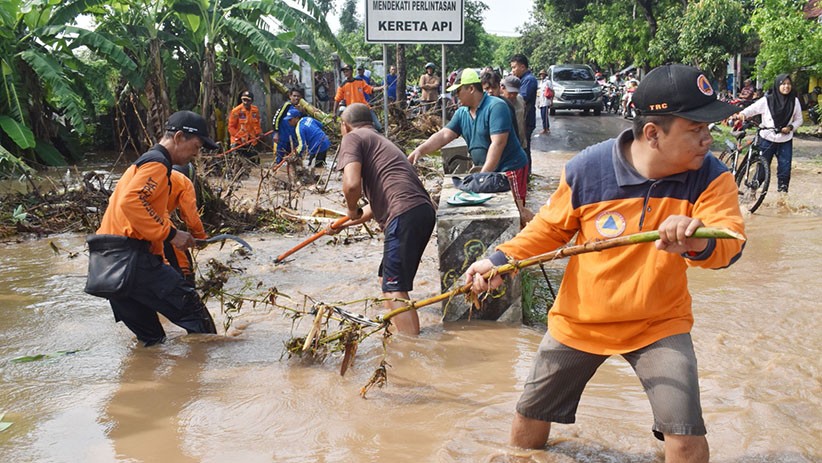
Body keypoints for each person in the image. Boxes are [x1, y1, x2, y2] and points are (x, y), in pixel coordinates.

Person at [463, 64, 746, 461]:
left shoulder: (711, 177)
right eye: (696, 129)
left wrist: (696, 240)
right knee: (528, 421)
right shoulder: (588, 169)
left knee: (685, 437)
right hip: (581, 321)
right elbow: (549, 230)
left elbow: (730, 242)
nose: (707, 139)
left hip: (658, 324)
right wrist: (498, 260)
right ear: (653, 133)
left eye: (708, 129)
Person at [94, 111, 219, 346]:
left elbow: (137, 209)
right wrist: (172, 234)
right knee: (197, 318)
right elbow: (131, 201)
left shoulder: (144, 163)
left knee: (152, 342)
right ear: (179, 137)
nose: (196, 153)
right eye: (196, 146)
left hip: (107, 267)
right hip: (131, 261)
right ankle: (209, 369)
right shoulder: (158, 164)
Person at [328, 103, 436, 335]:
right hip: (421, 211)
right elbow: (372, 209)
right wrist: (343, 224)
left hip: (403, 213)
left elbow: (352, 185)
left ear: (345, 126)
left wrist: (350, 209)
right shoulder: (379, 141)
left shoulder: (352, 137)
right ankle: (396, 331)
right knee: (385, 278)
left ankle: (411, 347)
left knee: (394, 288)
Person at [409, 69, 530, 220]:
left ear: (471, 88)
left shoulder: (496, 106)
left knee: (518, 213)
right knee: (492, 214)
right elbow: (444, 135)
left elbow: (498, 144)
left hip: (509, 168)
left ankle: (544, 229)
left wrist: (481, 178)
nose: (456, 95)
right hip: (489, 171)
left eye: (458, 91)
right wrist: (420, 150)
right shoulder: (462, 113)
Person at [734, 74, 803, 193]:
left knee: (785, 170)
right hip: (767, 138)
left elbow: (799, 119)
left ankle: (782, 197)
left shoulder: (794, 101)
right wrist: (742, 114)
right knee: (762, 169)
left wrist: (790, 127)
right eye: (783, 84)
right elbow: (752, 109)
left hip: (785, 140)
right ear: (777, 85)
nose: (786, 86)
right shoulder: (767, 100)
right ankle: (752, 192)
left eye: (788, 84)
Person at [164, 163, 207, 284]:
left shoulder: (159, 175)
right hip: (158, 225)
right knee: (183, 263)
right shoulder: (183, 181)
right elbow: (191, 218)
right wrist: (200, 238)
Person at [333, 64, 383, 129]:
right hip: (353, 110)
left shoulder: (360, 81)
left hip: (364, 107)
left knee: (378, 126)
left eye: (347, 71)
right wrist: (334, 113)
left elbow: (370, 89)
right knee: (353, 128)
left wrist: (381, 88)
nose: (346, 73)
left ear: (351, 71)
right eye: (344, 72)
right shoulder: (342, 86)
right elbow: (337, 99)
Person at [510, 54, 538, 172]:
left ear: (522, 67)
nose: (512, 70)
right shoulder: (522, 80)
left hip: (526, 120)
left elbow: (521, 98)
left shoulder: (529, 80)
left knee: (524, 148)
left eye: (514, 67)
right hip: (523, 120)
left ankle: (526, 174)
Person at [227, 90, 262, 157]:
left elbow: (257, 124)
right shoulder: (236, 111)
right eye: (244, 100)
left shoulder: (255, 110)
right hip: (238, 142)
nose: (246, 102)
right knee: (238, 161)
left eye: (248, 100)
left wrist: (259, 133)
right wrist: (240, 137)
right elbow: (231, 127)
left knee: (254, 160)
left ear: (252, 101)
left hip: (251, 141)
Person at [272, 87, 303, 163]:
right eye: (294, 96)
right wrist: (276, 132)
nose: (296, 98)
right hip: (283, 137)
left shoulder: (300, 108)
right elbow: (276, 118)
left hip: (294, 138)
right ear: (290, 96)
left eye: (298, 96)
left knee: (296, 159)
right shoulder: (286, 105)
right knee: (279, 158)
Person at [501, 75, 528, 150]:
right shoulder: (498, 103)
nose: (513, 95)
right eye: (510, 92)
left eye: (515, 93)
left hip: (520, 143)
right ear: (502, 88)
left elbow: (523, 120)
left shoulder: (520, 99)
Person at [537, 69, 552, 135]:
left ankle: (545, 128)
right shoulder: (541, 82)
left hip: (546, 101)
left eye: (542, 74)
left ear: (545, 75)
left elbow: (552, 91)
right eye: (540, 74)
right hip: (541, 101)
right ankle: (546, 128)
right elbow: (539, 93)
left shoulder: (548, 82)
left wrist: (551, 101)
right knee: (542, 116)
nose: (541, 75)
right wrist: (538, 102)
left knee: (544, 115)